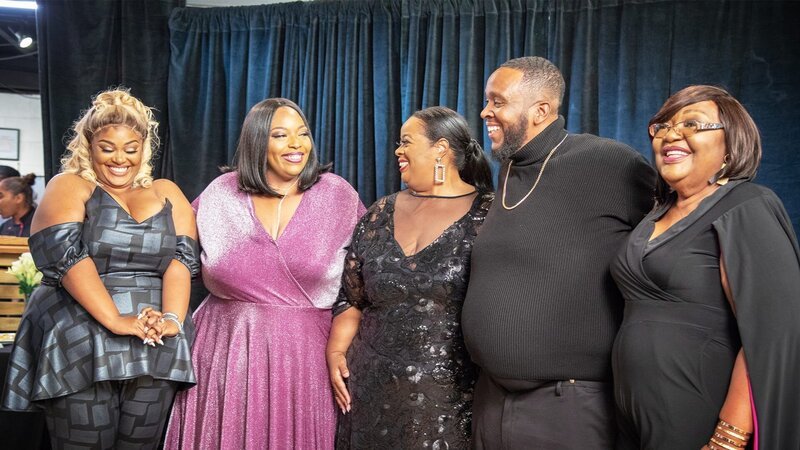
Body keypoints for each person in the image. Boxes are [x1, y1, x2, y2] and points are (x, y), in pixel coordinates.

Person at [460, 56, 656, 449]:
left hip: (567, 407)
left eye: (497, 101)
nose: (485, 112)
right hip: (492, 402)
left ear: (541, 111)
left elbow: (666, 248)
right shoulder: (510, 172)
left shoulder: (609, 163)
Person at [1, 88, 199, 449]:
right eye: (107, 148)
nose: (120, 158)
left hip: (155, 343)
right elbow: (66, 256)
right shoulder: (71, 185)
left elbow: (180, 260)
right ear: (89, 146)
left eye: (131, 148)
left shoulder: (166, 190)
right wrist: (117, 320)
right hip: (80, 337)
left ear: (144, 147)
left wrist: (171, 320)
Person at [164, 98, 365, 449]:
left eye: (303, 134)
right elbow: (176, 259)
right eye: (281, 135)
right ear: (258, 141)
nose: (296, 144)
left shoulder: (337, 196)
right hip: (223, 357)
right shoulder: (221, 193)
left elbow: (363, 283)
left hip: (306, 361)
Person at [611, 85, 800, 449]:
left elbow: (771, 334)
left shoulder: (746, 205)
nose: (671, 134)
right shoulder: (654, 215)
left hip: (697, 411)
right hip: (628, 417)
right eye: (662, 126)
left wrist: (727, 438)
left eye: (692, 124)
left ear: (731, 145)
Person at [328, 106, 494, 449]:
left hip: (451, 397)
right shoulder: (379, 212)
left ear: (441, 149)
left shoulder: (489, 214)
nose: (397, 151)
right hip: (369, 390)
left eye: (406, 142)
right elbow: (352, 296)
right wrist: (335, 352)